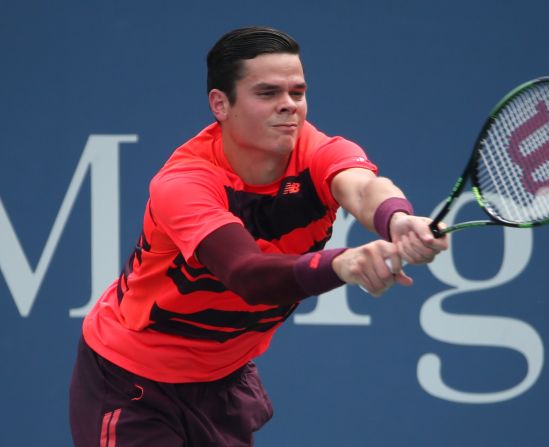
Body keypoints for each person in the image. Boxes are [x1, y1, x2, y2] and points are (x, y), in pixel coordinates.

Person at [69, 26, 448, 446]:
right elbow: (247, 274)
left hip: (224, 382)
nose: (289, 107)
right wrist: (344, 263)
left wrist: (396, 219)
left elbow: (361, 187)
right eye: (267, 94)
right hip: (133, 382)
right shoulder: (185, 183)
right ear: (220, 104)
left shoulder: (318, 152)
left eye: (297, 93)